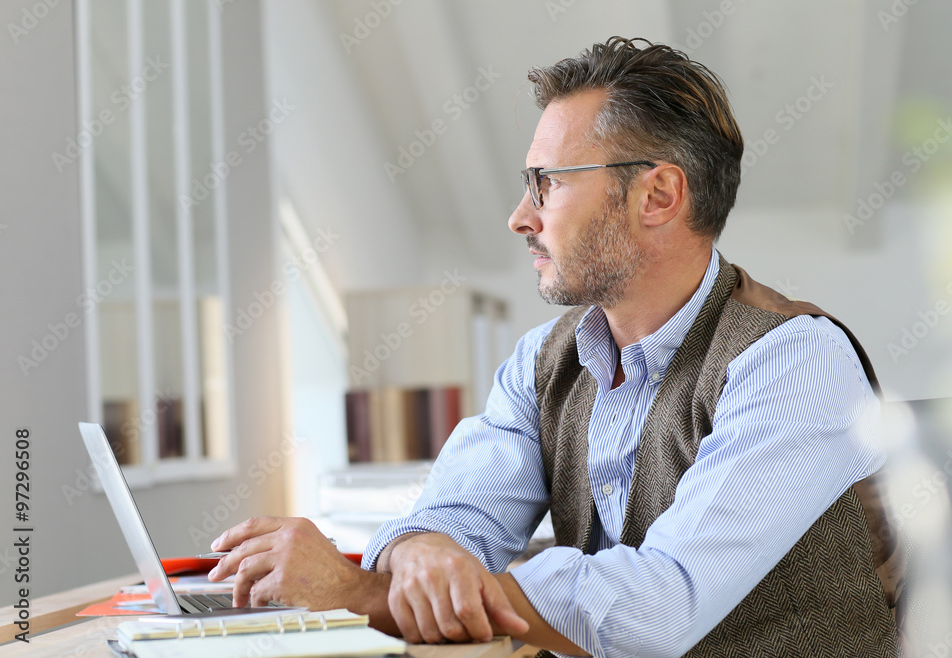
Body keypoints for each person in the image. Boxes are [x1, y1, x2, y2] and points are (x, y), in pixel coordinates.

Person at [208, 37, 904, 656]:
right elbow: (456, 514)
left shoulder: (795, 361)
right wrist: (423, 551)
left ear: (657, 195)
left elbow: (658, 609)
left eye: (548, 183)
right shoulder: (542, 361)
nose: (520, 217)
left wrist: (361, 590)